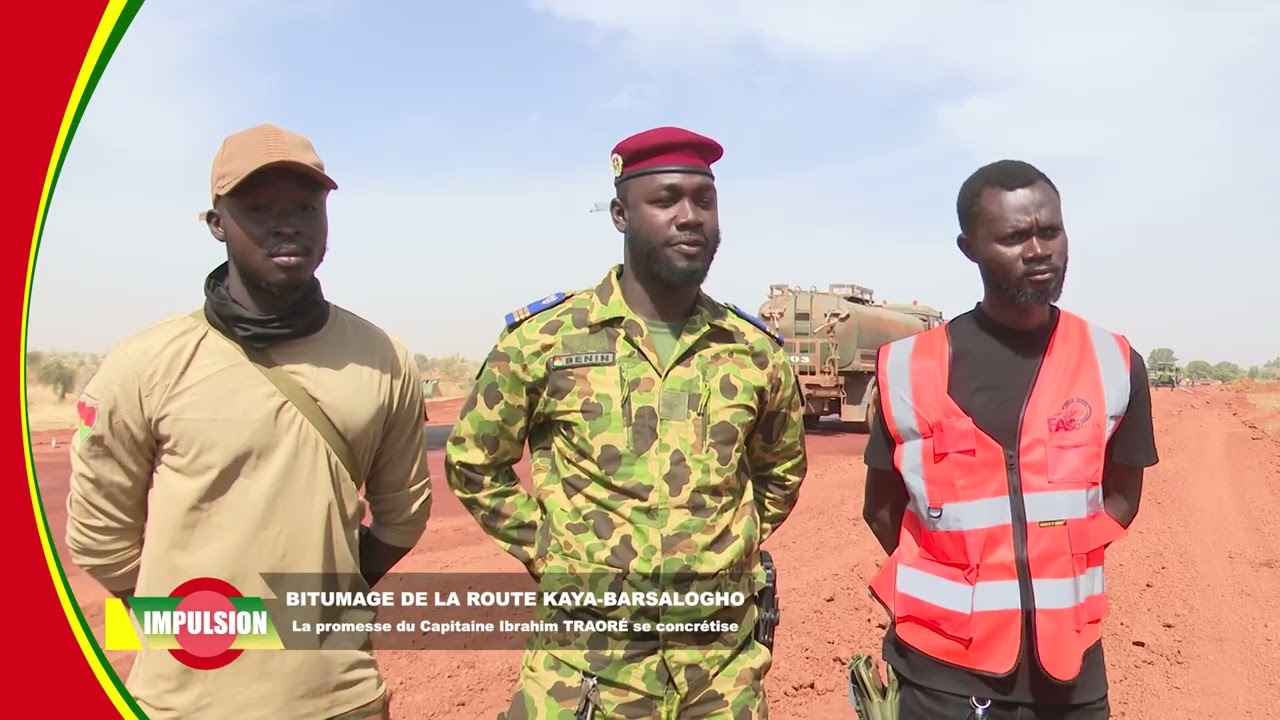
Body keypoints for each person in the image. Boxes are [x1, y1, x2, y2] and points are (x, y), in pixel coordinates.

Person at [63, 123, 432, 720]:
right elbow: (100, 538)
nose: (287, 224)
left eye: (306, 208)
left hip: (339, 699)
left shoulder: (382, 356)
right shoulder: (144, 364)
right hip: (184, 703)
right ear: (217, 225)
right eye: (259, 209)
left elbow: (403, 516)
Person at [445, 126, 808, 718]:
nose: (689, 216)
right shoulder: (547, 339)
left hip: (718, 676)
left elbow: (781, 469)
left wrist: (724, 549)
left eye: (703, 200)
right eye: (665, 200)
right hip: (585, 673)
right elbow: (473, 462)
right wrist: (550, 549)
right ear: (620, 214)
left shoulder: (752, 350)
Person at [860, 159, 1158, 719]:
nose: (1039, 249)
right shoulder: (907, 368)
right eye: (1016, 236)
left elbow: (1122, 498)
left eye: (1050, 231)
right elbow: (881, 508)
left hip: (1069, 673)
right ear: (968, 246)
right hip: (937, 675)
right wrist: (965, 577)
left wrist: (1054, 561)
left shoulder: (1114, 361)